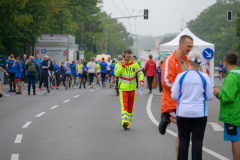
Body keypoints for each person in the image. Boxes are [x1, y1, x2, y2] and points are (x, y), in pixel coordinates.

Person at [171, 50, 213, 160]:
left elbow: (174, 96)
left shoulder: (181, 76)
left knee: (183, 142)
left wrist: (184, 97)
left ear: (188, 60)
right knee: (197, 142)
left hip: (183, 113)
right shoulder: (204, 76)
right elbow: (210, 97)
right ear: (200, 62)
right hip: (199, 113)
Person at [159, 35, 193, 160]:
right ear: (180, 44)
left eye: (191, 46)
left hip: (185, 100)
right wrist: (183, 90)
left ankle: (167, 118)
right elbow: (166, 82)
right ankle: (167, 116)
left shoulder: (188, 60)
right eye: (188, 46)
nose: (190, 49)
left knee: (184, 131)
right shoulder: (170, 60)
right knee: (185, 129)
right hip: (174, 100)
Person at [213, 52, 240, 160]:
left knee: (236, 140)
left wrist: (217, 93)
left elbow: (227, 98)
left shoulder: (231, 77)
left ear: (225, 63)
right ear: (237, 62)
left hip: (233, 115)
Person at [114, 49, 144, 130]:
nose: (129, 58)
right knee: (125, 105)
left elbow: (140, 72)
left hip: (132, 89)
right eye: (127, 57)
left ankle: (128, 123)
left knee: (130, 107)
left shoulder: (134, 63)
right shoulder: (119, 63)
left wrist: (141, 80)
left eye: (130, 57)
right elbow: (116, 74)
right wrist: (123, 65)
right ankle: (124, 121)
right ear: (124, 56)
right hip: (123, 88)